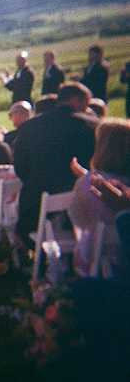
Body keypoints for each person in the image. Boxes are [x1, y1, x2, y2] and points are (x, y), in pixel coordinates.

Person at [13, 82, 95, 245]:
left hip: (36, 200)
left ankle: (42, 262)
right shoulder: (91, 125)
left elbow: (20, 167)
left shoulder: (30, 127)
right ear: (75, 100)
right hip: (83, 199)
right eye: (86, 103)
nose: (86, 109)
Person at [68, 118, 130, 278]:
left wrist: (86, 178)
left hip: (100, 259)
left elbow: (78, 219)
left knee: (80, 249)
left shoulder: (88, 184)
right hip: (125, 258)